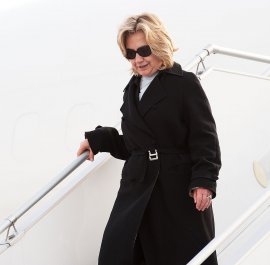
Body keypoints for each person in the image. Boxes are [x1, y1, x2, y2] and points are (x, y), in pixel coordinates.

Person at [77, 12, 221, 265]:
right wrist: (100, 140)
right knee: (120, 253)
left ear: (158, 45)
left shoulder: (184, 83)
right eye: (131, 54)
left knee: (180, 255)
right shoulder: (132, 88)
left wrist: (204, 181)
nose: (138, 59)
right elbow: (135, 146)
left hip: (176, 188)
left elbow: (204, 137)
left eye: (143, 50)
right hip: (138, 186)